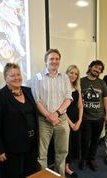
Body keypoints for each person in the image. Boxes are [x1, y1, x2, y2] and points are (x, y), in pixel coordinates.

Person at [0, 63, 38, 178]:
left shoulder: (28, 91)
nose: (17, 78)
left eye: (18, 74)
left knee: (30, 174)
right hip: (12, 148)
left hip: (31, 144)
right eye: (12, 75)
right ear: (6, 78)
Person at [31, 48, 73, 176]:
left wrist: (56, 114)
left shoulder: (65, 77)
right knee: (42, 154)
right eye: (51, 59)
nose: (54, 61)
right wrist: (49, 116)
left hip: (62, 119)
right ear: (45, 61)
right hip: (44, 121)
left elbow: (68, 98)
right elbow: (36, 100)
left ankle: (60, 175)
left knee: (62, 152)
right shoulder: (37, 78)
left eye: (57, 59)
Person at [79, 60, 107, 171]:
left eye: (100, 69)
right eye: (96, 67)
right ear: (90, 67)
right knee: (85, 140)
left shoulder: (101, 83)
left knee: (95, 140)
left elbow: (105, 99)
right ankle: (83, 159)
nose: (97, 70)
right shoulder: (81, 81)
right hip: (86, 118)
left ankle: (91, 159)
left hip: (99, 118)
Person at [65, 65, 83, 177]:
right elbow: (60, 108)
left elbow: (80, 106)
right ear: (67, 73)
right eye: (71, 73)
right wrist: (71, 123)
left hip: (76, 119)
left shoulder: (77, 87)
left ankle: (68, 164)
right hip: (66, 120)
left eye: (76, 74)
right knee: (66, 145)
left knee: (74, 143)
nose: (73, 75)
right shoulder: (62, 87)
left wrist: (79, 121)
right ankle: (65, 167)